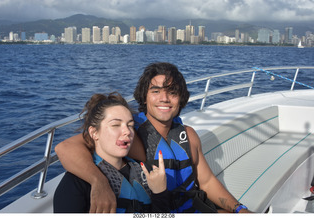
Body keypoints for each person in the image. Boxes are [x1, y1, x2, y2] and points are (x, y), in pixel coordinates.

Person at [55, 62, 251, 213]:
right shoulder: (131, 134)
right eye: (155, 91)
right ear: (144, 96)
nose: (164, 98)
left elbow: (207, 182)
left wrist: (239, 209)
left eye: (172, 92)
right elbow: (65, 148)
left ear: (180, 98)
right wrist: (99, 182)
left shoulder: (188, 135)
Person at [53, 92, 171, 213]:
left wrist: (160, 193)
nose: (127, 131)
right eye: (115, 125)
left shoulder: (146, 172)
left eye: (130, 125)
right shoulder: (76, 183)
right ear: (94, 133)